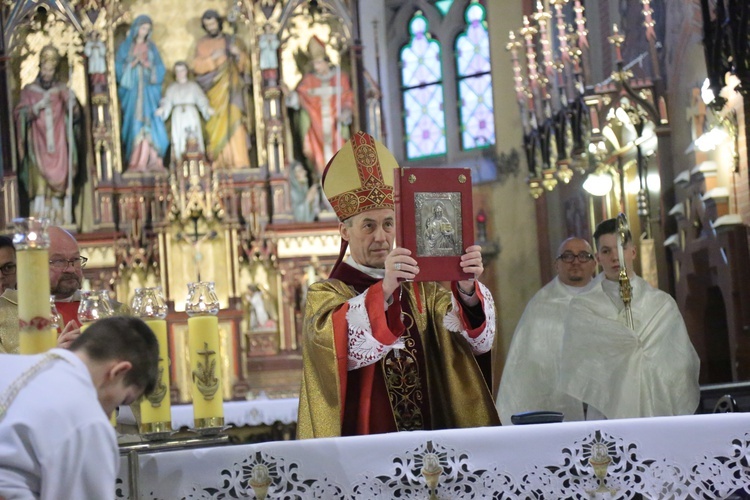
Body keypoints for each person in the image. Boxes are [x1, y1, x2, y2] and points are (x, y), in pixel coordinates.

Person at [297, 131, 499, 438]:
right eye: (369, 225)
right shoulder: (326, 295)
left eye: (388, 223)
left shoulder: (423, 292)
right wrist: (386, 291)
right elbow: (333, 354)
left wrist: (468, 291)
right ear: (344, 230)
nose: (381, 236)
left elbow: (475, 344)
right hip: (364, 448)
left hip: (431, 445)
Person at [0, 316, 159, 499]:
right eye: (122, 401)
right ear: (117, 372)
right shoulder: (87, 421)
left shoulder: (7, 365)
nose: (108, 417)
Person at [558, 218, 700, 419]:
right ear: (597, 258)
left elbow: (681, 364)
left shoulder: (662, 304)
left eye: (621, 249)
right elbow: (578, 366)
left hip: (657, 410)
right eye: (606, 251)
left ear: (632, 252)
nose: (615, 257)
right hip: (606, 410)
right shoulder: (583, 308)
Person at [495, 237, 598, 424]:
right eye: (567, 256)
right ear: (556, 264)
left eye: (583, 256)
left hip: (601, 402)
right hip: (556, 404)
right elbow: (527, 365)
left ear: (594, 263)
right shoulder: (540, 305)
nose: (575, 261)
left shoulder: (608, 299)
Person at [14, 45, 80, 222]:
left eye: (51, 70)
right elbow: (19, 114)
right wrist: (35, 108)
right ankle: (38, 217)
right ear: (39, 67)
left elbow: (75, 116)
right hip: (37, 143)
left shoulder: (61, 90)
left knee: (60, 177)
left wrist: (72, 104)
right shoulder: (29, 91)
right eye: (45, 68)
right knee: (39, 181)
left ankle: (60, 217)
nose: (47, 73)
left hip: (58, 144)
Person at [285, 36, 354, 178]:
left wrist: (346, 111)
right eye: (314, 63)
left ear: (326, 61)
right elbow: (299, 100)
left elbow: (348, 98)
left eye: (319, 63)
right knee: (317, 157)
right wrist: (290, 96)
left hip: (335, 127)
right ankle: (321, 182)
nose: (316, 67)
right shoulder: (309, 80)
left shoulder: (340, 77)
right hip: (316, 128)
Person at [193, 9, 251, 169]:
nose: (211, 27)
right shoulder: (202, 44)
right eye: (207, 25)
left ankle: (240, 161)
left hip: (232, 90)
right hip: (213, 92)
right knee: (215, 126)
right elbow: (197, 66)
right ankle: (219, 162)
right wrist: (213, 58)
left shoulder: (231, 41)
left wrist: (237, 54)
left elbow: (246, 66)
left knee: (236, 122)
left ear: (219, 23)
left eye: (213, 24)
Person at [115, 14, 169, 173]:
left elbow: (160, 69)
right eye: (143, 28)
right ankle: (136, 162)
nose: (144, 32)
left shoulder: (152, 48)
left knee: (152, 124)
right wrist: (133, 63)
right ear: (136, 28)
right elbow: (118, 69)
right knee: (135, 125)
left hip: (150, 93)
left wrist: (147, 65)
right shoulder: (126, 47)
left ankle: (154, 161)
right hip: (132, 93)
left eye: (147, 29)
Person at [156, 61, 214, 164]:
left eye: (182, 70)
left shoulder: (193, 86)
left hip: (191, 115)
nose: (180, 73)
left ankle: (197, 163)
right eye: (177, 71)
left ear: (186, 71)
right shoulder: (172, 88)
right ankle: (179, 163)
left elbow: (201, 100)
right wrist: (163, 110)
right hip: (178, 117)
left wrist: (206, 109)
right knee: (179, 139)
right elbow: (167, 102)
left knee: (194, 137)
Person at [84, 31, 107, 96]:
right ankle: (94, 91)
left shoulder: (100, 43)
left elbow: (103, 52)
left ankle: (102, 92)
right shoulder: (89, 43)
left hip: (100, 64)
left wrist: (98, 47)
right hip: (93, 64)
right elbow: (87, 53)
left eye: (95, 35)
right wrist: (91, 48)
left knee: (101, 78)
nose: (94, 37)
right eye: (92, 36)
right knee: (94, 79)